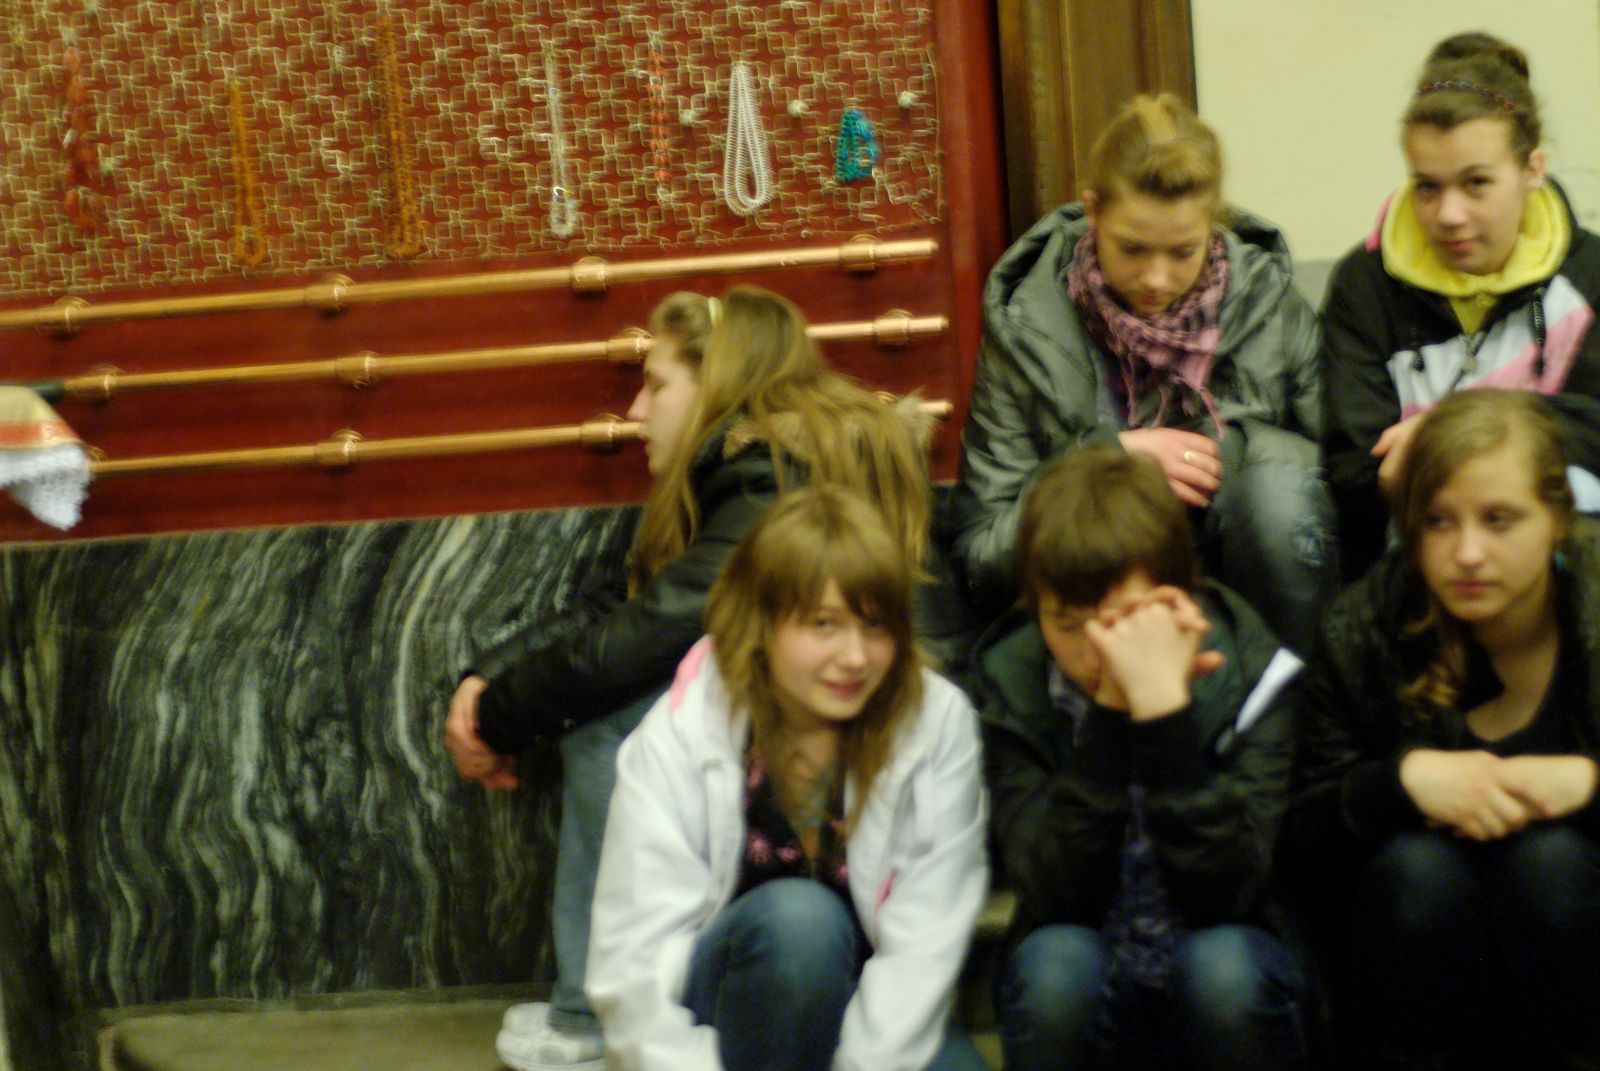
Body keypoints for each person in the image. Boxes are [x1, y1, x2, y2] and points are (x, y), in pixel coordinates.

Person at [442, 286, 933, 1071]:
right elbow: (626, 601)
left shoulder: (774, 475)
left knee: (612, 730)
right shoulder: (749, 470)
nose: (637, 411)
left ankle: (593, 1017)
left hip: (858, 750)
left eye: (656, 384)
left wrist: (498, 717)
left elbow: (654, 628)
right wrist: (488, 684)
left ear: (717, 383)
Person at [585, 486, 989, 1071]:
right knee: (801, 922)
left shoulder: (935, 720)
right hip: (721, 1012)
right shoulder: (684, 728)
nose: (855, 656)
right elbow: (633, 962)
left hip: (872, 1007)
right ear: (762, 623)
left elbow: (927, 938)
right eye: (824, 624)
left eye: (876, 626)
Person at [1286, 389, 1600, 1069]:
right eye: (1438, 521)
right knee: (1419, 871)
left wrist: (1590, 784)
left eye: (1499, 519)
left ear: (1557, 519)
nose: (1467, 553)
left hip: (1575, 966)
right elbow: (1299, 852)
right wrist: (1394, 786)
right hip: (1409, 964)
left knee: (1551, 865)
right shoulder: (1363, 624)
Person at [953, 93, 1332, 651]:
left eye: (1183, 252)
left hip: (1252, 615)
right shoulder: (1028, 330)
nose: (1156, 278)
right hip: (1090, 629)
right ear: (1093, 211)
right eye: (1132, 249)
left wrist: (1236, 455)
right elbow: (981, 561)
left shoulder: (1273, 310)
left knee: (1274, 487)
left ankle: (1292, 696)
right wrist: (1104, 465)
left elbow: (1345, 492)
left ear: (1213, 226)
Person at [975, 446, 1309, 1070]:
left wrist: (1165, 716)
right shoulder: (1013, 681)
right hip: (1089, 968)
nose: (1096, 651)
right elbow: (1050, 892)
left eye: (1121, 620)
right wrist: (1109, 716)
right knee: (1053, 970)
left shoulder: (1254, 673)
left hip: (1220, 966)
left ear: (1181, 595)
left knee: (1224, 970)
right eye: (1066, 624)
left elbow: (1231, 892)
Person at [1322, 32, 1600, 577]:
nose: (1448, 215)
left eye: (1476, 183)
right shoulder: (1364, 284)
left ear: (1533, 170)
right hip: (1415, 544)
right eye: (1427, 187)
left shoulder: (1590, 275)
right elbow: (1352, 466)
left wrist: (1448, 435)